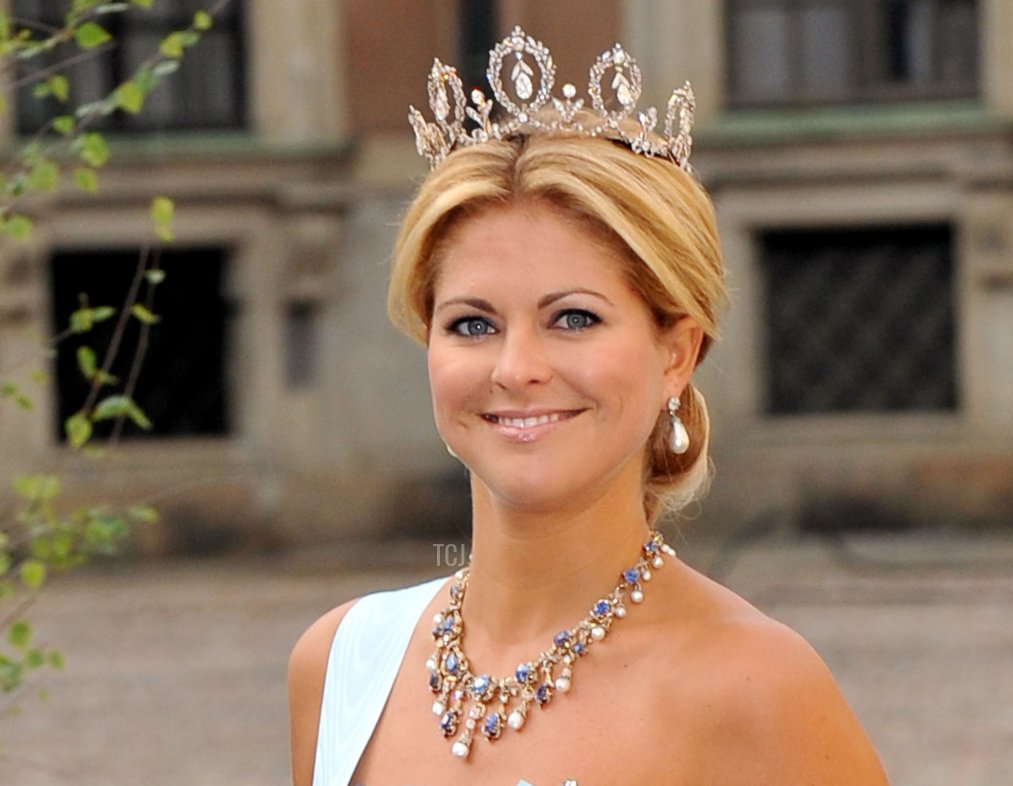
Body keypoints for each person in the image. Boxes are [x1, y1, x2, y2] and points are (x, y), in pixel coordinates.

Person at [288, 27, 888, 786]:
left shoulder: (756, 688)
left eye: (573, 318)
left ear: (676, 352)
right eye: (473, 324)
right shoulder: (338, 664)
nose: (517, 369)